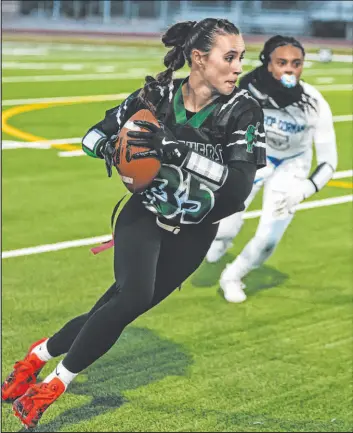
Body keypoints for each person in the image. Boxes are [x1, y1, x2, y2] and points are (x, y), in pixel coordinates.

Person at [2, 19, 266, 428]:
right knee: (133, 295)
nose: (237, 67)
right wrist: (116, 148)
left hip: (195, 231)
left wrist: (178, 152)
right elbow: (91, 137)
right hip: (145, 213)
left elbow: (238, 188)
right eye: (229, 57)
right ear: (198, 59)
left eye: (240, 58)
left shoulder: (244, 110)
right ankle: (52, 386)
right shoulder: (155, 95)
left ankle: (36, 358)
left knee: (112, 309)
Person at [206, 35, 338, 303]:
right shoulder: (248, 92)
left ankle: (233, 276)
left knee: (268, 240)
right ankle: (222, 240)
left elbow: (328, 161)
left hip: (293, 165)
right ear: (268, 65)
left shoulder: (314, 103)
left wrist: (306, 188)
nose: (290, 69)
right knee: (223, 229)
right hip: (256, 158)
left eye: (296, 63)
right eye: (282, 62)